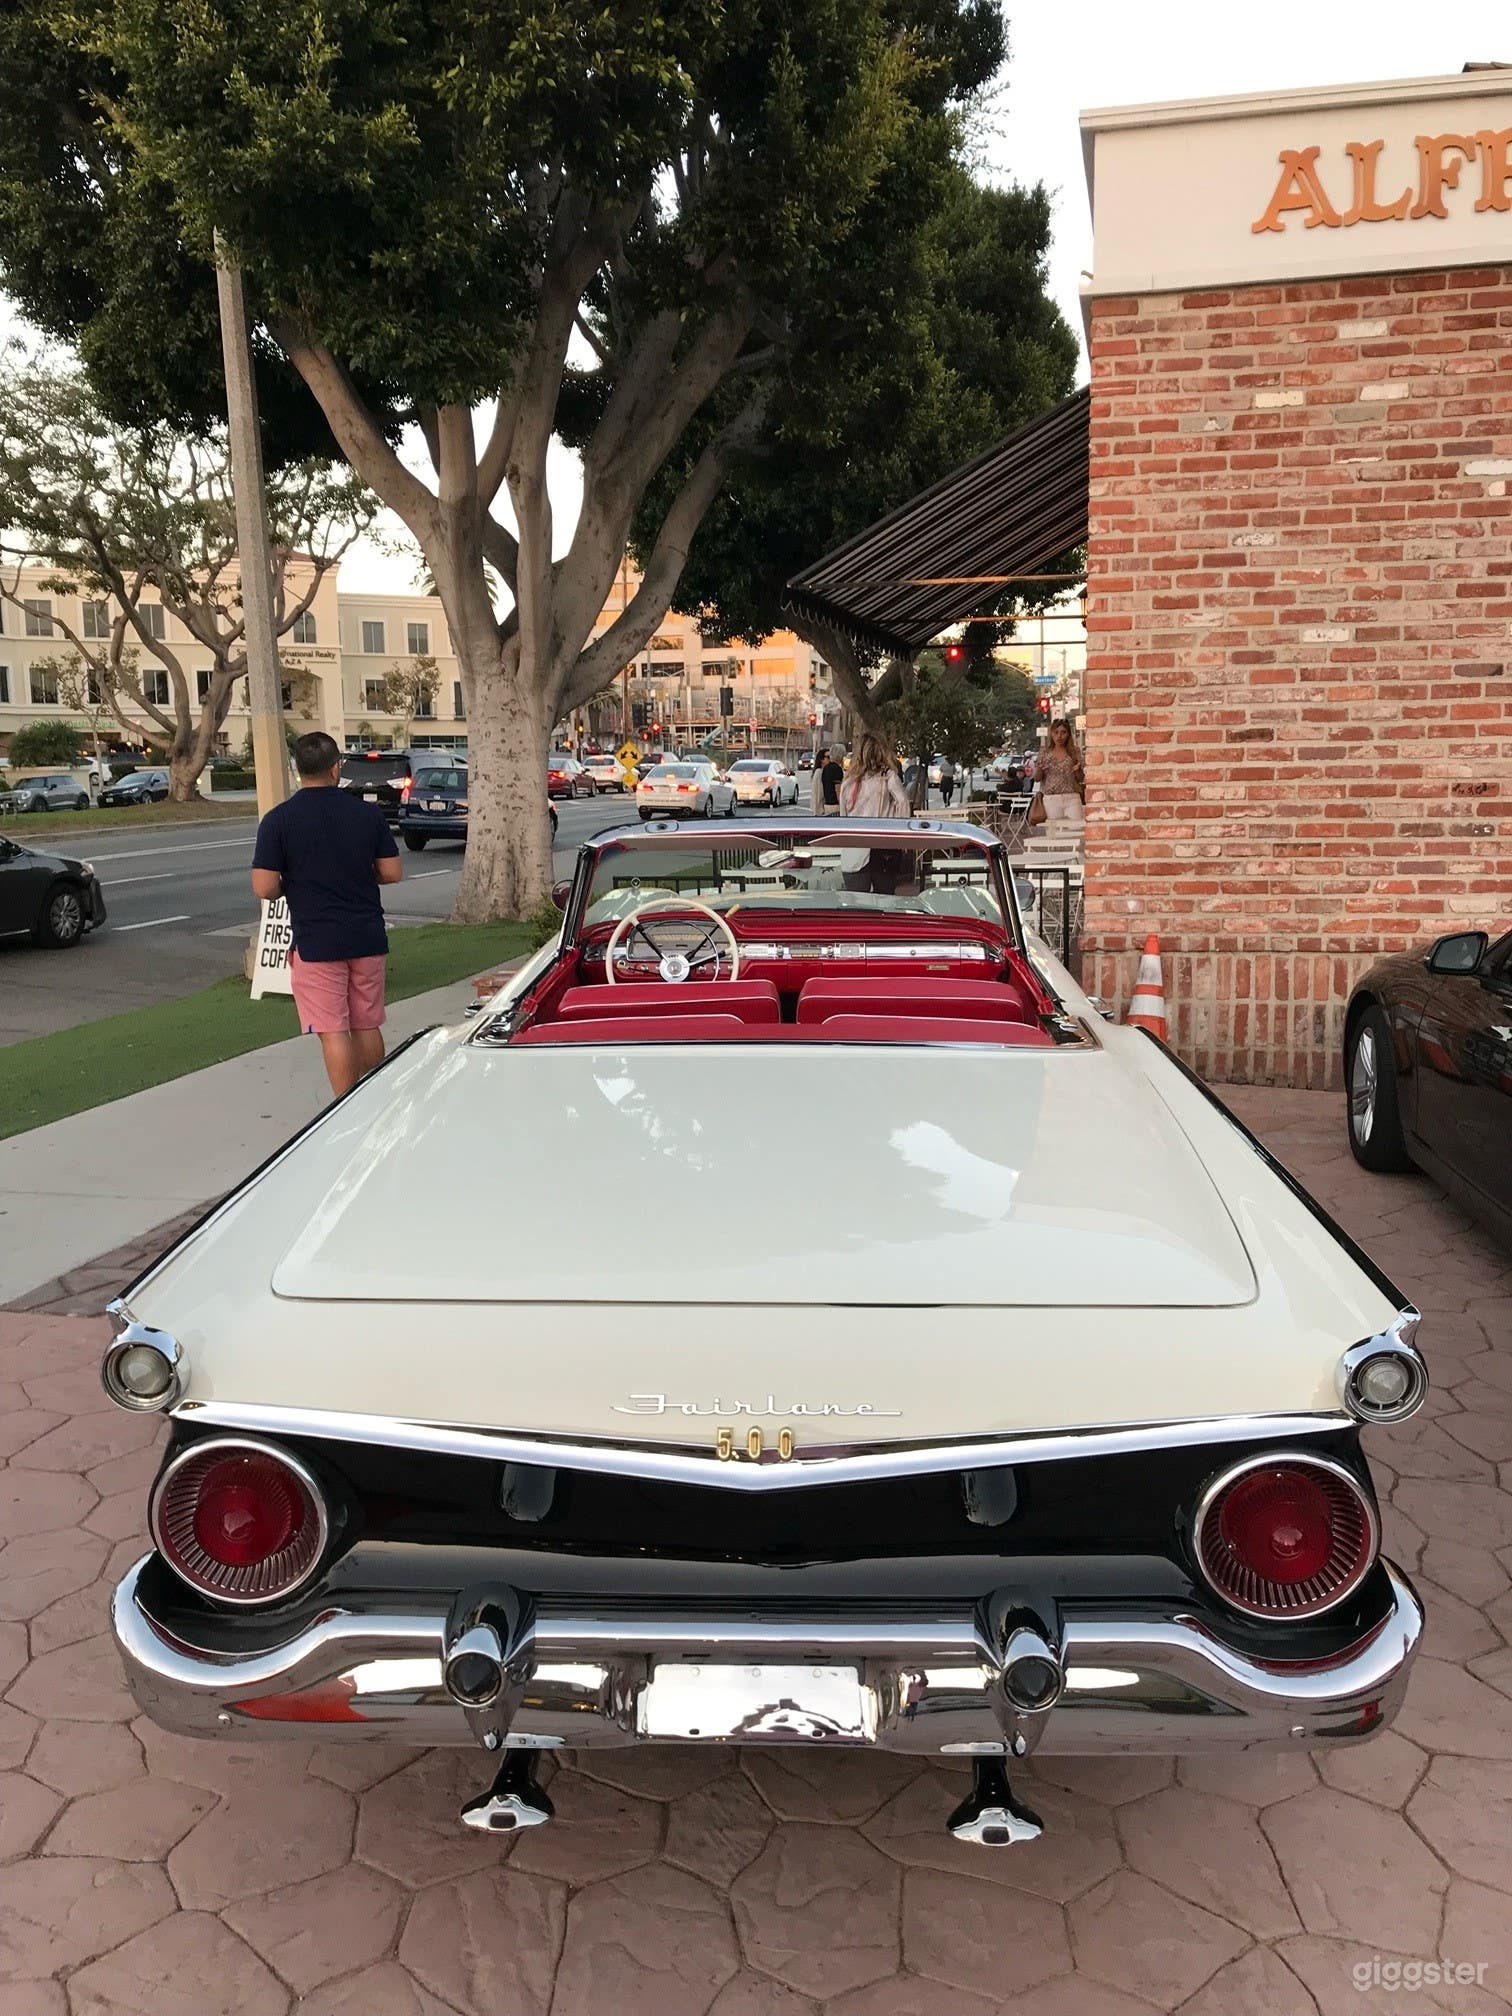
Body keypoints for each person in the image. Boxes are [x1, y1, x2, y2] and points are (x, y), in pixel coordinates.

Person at [251, 730, 403, 1099]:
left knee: (334, 1031)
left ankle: (345, 1111)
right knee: (367, 1023)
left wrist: (296, 881)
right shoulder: (367, 815)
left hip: (317, 943)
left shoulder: (278, 820)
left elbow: (264, 887)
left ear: (297, 769)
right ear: (336, 769)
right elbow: (392, 872)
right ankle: (375, 1099)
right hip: (367, 936)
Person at [1032, 719, 1086, 836]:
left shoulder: (1074, 751)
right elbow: (1036, 778)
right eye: (1056, 732)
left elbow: (1081, 779)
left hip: (1072, 797)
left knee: (1076, 832)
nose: (1059, 736)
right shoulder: (1045, 752)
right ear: (1051, 734)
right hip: (1052, 798)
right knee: (1054, 834)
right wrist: (1039, 769)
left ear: (1068, 734)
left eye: (1063, 732)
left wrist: (1077, 770)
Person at [817, 743, 846, 817]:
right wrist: (843, 805)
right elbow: (838, 790)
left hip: (827, 805)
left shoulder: (825, 768)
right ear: (840, 756)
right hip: (836, 807)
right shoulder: (837, 769)